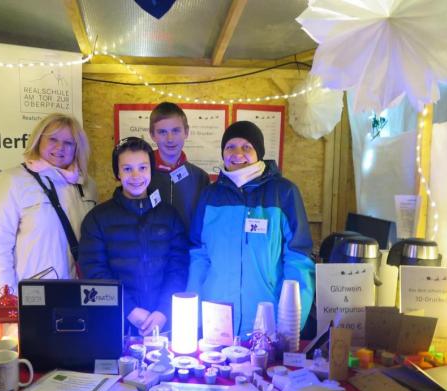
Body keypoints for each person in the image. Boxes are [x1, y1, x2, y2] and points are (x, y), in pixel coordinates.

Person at [187, 121, 315, 335]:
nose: (237, 154)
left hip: (266, 320)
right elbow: (199, 256)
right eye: (230, 147)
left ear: (259, 153)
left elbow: (298, 260)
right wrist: (194, 319)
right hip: (215, 321)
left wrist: (291, 324)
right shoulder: (209, 196)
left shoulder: (283, 193)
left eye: (247, 147)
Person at [79, 137, 189, 336]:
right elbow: (94, 271)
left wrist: (163, 311)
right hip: (114, 323)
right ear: (117, 173)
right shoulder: (97, 219)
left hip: (163, 324)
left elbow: (178, 267)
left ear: (151, 170)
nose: (136, 175)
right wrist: (128, 309)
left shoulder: (169, 216)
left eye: (143, 167)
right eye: (127, 169)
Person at [0, 113, 97, 300]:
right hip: (33, 296)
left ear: (77, 148)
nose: (60, 148)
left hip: (80, 294)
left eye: (69, 143)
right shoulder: (12, 181)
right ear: (38, 140)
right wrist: (7, 302)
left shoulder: (87, 185)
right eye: (53, 139)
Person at [148, 102, 210, 234]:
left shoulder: (201, 178)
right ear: (152, 135)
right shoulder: (142, 174)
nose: (170, 139)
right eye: (162, 132)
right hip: (149, 253)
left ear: (186, 132)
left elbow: (203, 225)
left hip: (186, 253)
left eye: (176, 131)